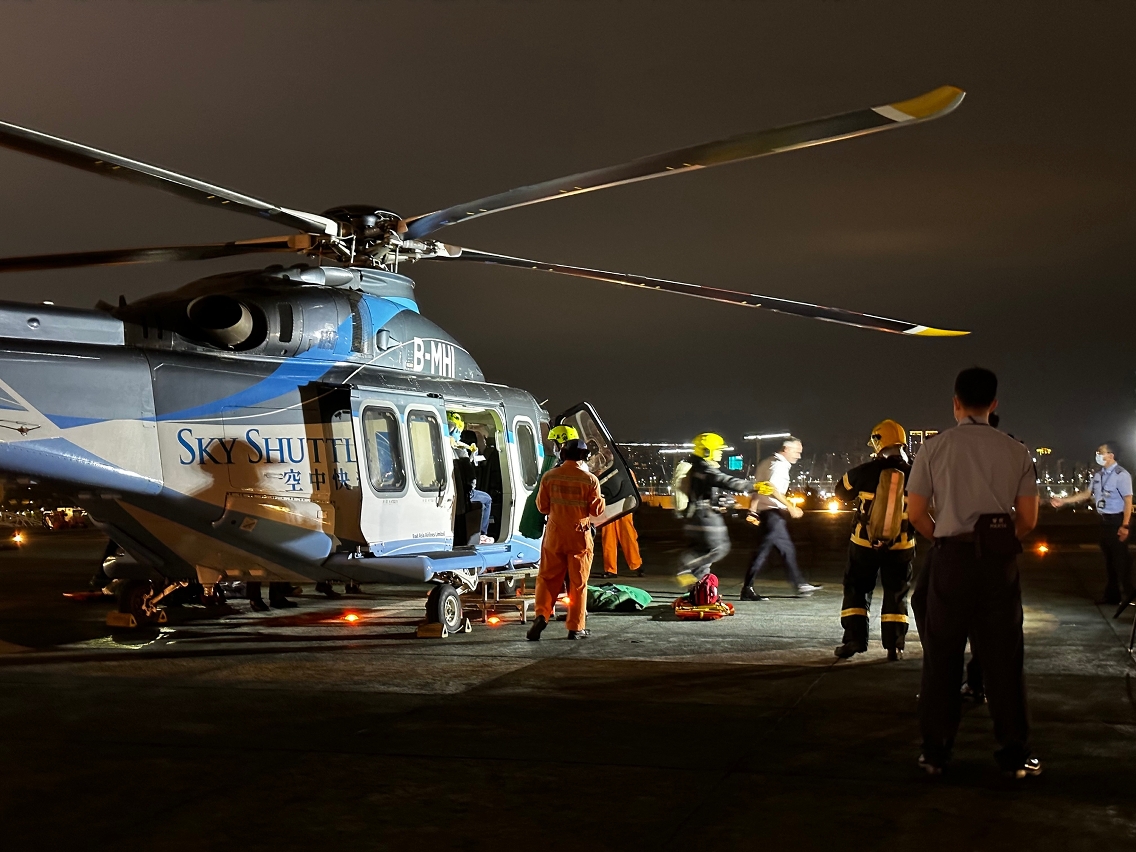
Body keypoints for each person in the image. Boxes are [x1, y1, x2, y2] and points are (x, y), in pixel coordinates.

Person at [906, 366, 1041, 778]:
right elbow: (1028, 519)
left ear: (956, 403)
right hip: (998, 566)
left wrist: (945, 538)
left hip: (951, 560)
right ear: (994, 403)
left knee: (941, 657)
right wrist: (996, 542)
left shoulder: (934, 448)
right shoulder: (1017, 451)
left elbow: (916, 513)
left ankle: (935, 752)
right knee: (1004, 658)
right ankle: (1014, 753)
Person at [833, 420, 915, 660]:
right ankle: (894, 646)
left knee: (856, 589)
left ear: (878, 443)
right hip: (901, 545)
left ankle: (854, 639)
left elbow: (840, 492)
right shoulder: (916, 473)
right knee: (896, 592)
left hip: (863, 544)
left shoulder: (863, 471)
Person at [527, 437, 605, 641]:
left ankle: (541, 615)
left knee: (547, 579)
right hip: (579, 535)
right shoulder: (590, 480)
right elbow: (596, 511)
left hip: (554, 535)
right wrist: (601, 499)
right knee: (578, 583)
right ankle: (576, 627)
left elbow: (542, 507)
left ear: (563, 454)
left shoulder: (549, 477)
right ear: (584, 456)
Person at [1050, 441, 1132, 605]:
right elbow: (1086, 494)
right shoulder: (1098, 475)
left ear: (1111, 455)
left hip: (1117, 520)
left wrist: (1125, 525)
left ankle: (1129, 594)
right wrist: (1064, 501)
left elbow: (1128, 501)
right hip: (1104, 521)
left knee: (1122, 561)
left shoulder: (1121, 475)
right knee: (1109, 561)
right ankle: (1112, 596)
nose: (1098, 455)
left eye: (1101, 452)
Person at [741, 437, 821, 600]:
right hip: (773, 513)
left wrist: (753, 510)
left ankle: (799, 584)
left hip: (767, 513)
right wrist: (790, 506)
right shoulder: (779, 465)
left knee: (782, 550)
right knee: (767, 551)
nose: (798, 456)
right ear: (786, 449)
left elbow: (759, 488)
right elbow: (770, 489)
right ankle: (748, 588)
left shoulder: (766, 462)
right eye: (797, 452)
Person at [676, 433, 753, 590]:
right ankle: (684, 566)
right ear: (706, 451)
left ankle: (697, 592)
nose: (720, 453)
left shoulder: (698, 467)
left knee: (704, 561)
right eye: (718, 450)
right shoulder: (703, 468)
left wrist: (723, 501)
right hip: (704, 517)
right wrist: (753, 486)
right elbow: (723, 480)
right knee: (719, 549)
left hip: (697, 516)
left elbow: (703, 491)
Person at [519, 424, 579, 539]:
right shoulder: (585, 472)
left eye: (555, 444)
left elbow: (542, 505)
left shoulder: (556, 473)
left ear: (562, 444)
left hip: (559, 529)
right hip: (577, 529)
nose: (554, 448)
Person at [446, 412, 493, 545]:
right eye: (458, 432)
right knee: (487, 499)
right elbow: (470, 478)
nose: (460, 436)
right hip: (463, 493)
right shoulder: (461, 450)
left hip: (451, 491)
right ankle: (482, 534)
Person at [601, 513, 643, 579]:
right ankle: (610, 569)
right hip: (608, 510)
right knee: (608, 538)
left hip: (624, 509)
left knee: (628, 536)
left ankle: (636, 564)